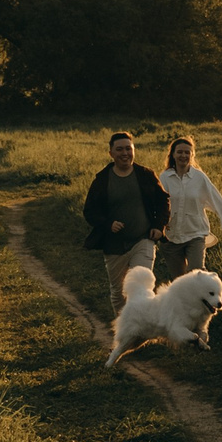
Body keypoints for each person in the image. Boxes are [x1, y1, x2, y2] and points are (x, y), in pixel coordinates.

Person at [81, 130, 170, 317]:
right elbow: (90, 211)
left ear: (134, 150)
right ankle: (124, 332)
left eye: (128, 149)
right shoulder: (103, 179)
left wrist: (158, 226)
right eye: (119, 149)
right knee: (119, 293)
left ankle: (143, 328)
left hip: (143, 240)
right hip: (114, 245)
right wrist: (107, 224)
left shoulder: (145, 175)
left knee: (142, 287)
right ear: (111, 153)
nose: (125, 153)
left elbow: (163, 201)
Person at [156, 136, 222, 281]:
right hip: (171, 237)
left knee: (197, 273)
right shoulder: (165, 177)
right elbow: (157, 203)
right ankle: (183, 304)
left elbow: (215, 198)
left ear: (192, 155)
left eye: (187, 152)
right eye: (180, 152)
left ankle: (207, 300)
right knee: (179, 281)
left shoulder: (199, 178)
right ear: (173, 154)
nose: (183, 155)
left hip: (195, 233)